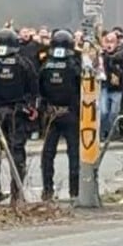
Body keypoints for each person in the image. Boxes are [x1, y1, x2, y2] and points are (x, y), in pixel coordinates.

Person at [0, 28, 39, 204]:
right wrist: (30, 108)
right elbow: (34, 89)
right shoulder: (24, 63)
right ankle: (16, 194)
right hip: (16, 114)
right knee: (16, 152)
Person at [38, 30, 82, 201]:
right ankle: (74, 191)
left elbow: (40, 89)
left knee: (48, 154)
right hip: (70, 114)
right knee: (74, 153)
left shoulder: (46, 65)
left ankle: (47, 190)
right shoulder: (74, 65)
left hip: (51, 114)